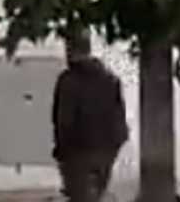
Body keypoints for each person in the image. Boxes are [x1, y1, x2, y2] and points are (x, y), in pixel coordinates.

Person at [51, 30, 129, 202]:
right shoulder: (110, 80)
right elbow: (119, 121)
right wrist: (113, 149)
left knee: (80, 197)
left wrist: (61, 152)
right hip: (105, 154)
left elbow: (63, 121)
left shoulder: (68, 81)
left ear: (69, 50)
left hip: (77, 154)